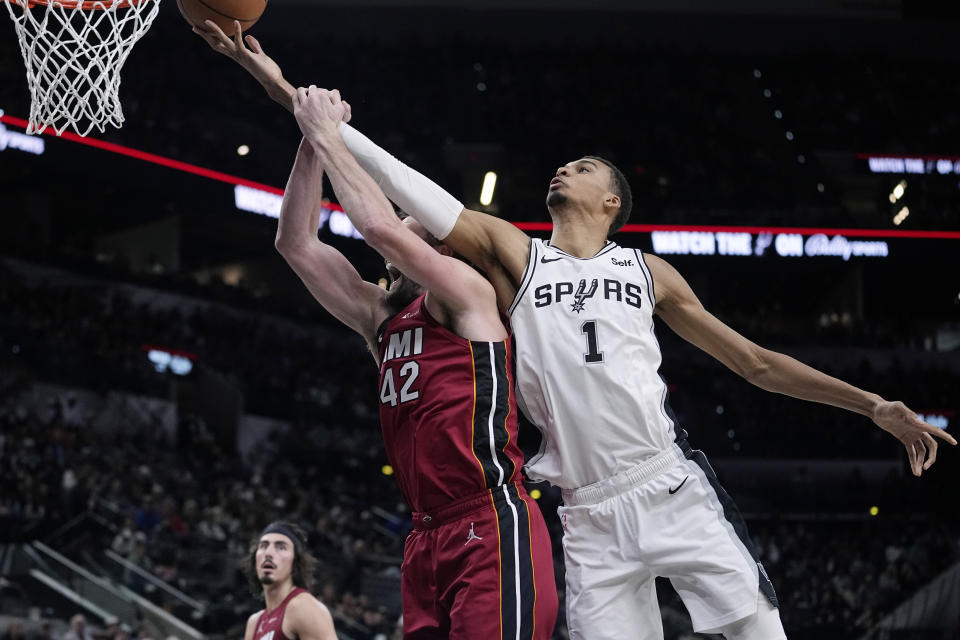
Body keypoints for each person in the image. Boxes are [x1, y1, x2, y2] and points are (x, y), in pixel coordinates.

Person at [193, 23, 955, 640]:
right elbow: (396, 185)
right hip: (584, 513)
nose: (566, 167)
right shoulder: (514, 258)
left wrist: (873, 405)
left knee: (761, 631)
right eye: (565, 162)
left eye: (584, 166)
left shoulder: (650, 271)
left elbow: (755, 362)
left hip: (666, 482)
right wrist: (281, 88)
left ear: (611, 201)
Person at [252, 86, 557, 638]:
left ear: (440, 249)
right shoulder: (381, 317)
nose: (394, 243)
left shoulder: (465, 294)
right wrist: (310, 143)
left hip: (487, 518)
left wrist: (329, 133)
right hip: (424, 536)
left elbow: (380, 229)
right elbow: (294, 243)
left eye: (414, 228)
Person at [243, 522, 337, 640]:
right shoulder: (254, 623)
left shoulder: (303, 607)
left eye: (281, 547)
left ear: (295, 563)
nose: (268, 553)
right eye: (263, 546)